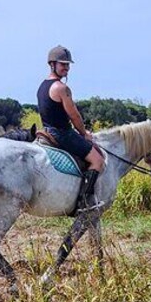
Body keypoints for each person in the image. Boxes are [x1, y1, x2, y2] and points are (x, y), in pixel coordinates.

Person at [37, 45, 104, 212]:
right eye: (63, 64)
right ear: (52, 64)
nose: (66, 68)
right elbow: (74, 116)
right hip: (62, 133)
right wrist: (84, 134)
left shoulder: (42, 86)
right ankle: (84, 203)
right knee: (98, 160)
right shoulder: (61, 88)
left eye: (68, 65)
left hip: (47, 130)